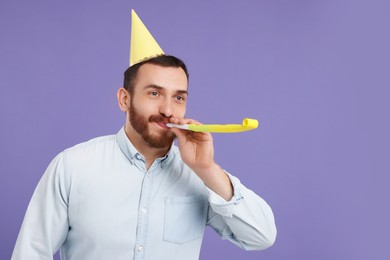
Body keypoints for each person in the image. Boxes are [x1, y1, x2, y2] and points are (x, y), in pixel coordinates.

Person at [12, 54, 276, 260]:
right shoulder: (72, 167)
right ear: (124, 99)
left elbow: (262, 236)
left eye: (179, 97)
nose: (168, 110)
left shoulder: (199, 178)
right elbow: (31, 253)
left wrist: (207, 169)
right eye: (154, 93)